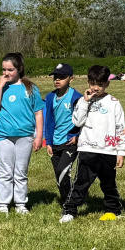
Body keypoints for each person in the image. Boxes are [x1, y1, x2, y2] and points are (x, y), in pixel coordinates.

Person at [61, 65, 125, 223]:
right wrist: (85, 102)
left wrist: (121, 151)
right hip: (87, 149)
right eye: (93, 84)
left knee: (108, 183)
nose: (96, 88)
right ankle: (70, 210)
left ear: (107, 84)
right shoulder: (82, 101)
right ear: (88, 82)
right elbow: (77, 122)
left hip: (108, 151)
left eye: (100, 84)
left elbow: (121, 129)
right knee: (81, 183)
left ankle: (113, 210)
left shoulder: (114, 103)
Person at [0, 52, 43, 214]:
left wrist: (39, 136)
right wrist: (0, 86)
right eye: (4, 70)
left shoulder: (31, 88)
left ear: (20, 69)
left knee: (21, 171)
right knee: (5, 171)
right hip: (3, 136)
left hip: (25, 135)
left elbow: (38, 113)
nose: (6, 73)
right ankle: (3, 204)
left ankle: (20, 203)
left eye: (10, 70)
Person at [43, 63, 82, 205]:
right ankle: (67, 198)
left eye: (62, 77)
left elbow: (84, 120)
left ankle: (69, 204)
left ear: (71, 79)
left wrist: (78, 136)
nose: (57, 80)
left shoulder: (77, 97)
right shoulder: (50, 97)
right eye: (55, 77)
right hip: (55, 142)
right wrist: (48, 141)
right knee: (59, 174)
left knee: (62, 171)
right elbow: (49, 121)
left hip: (70, 142)